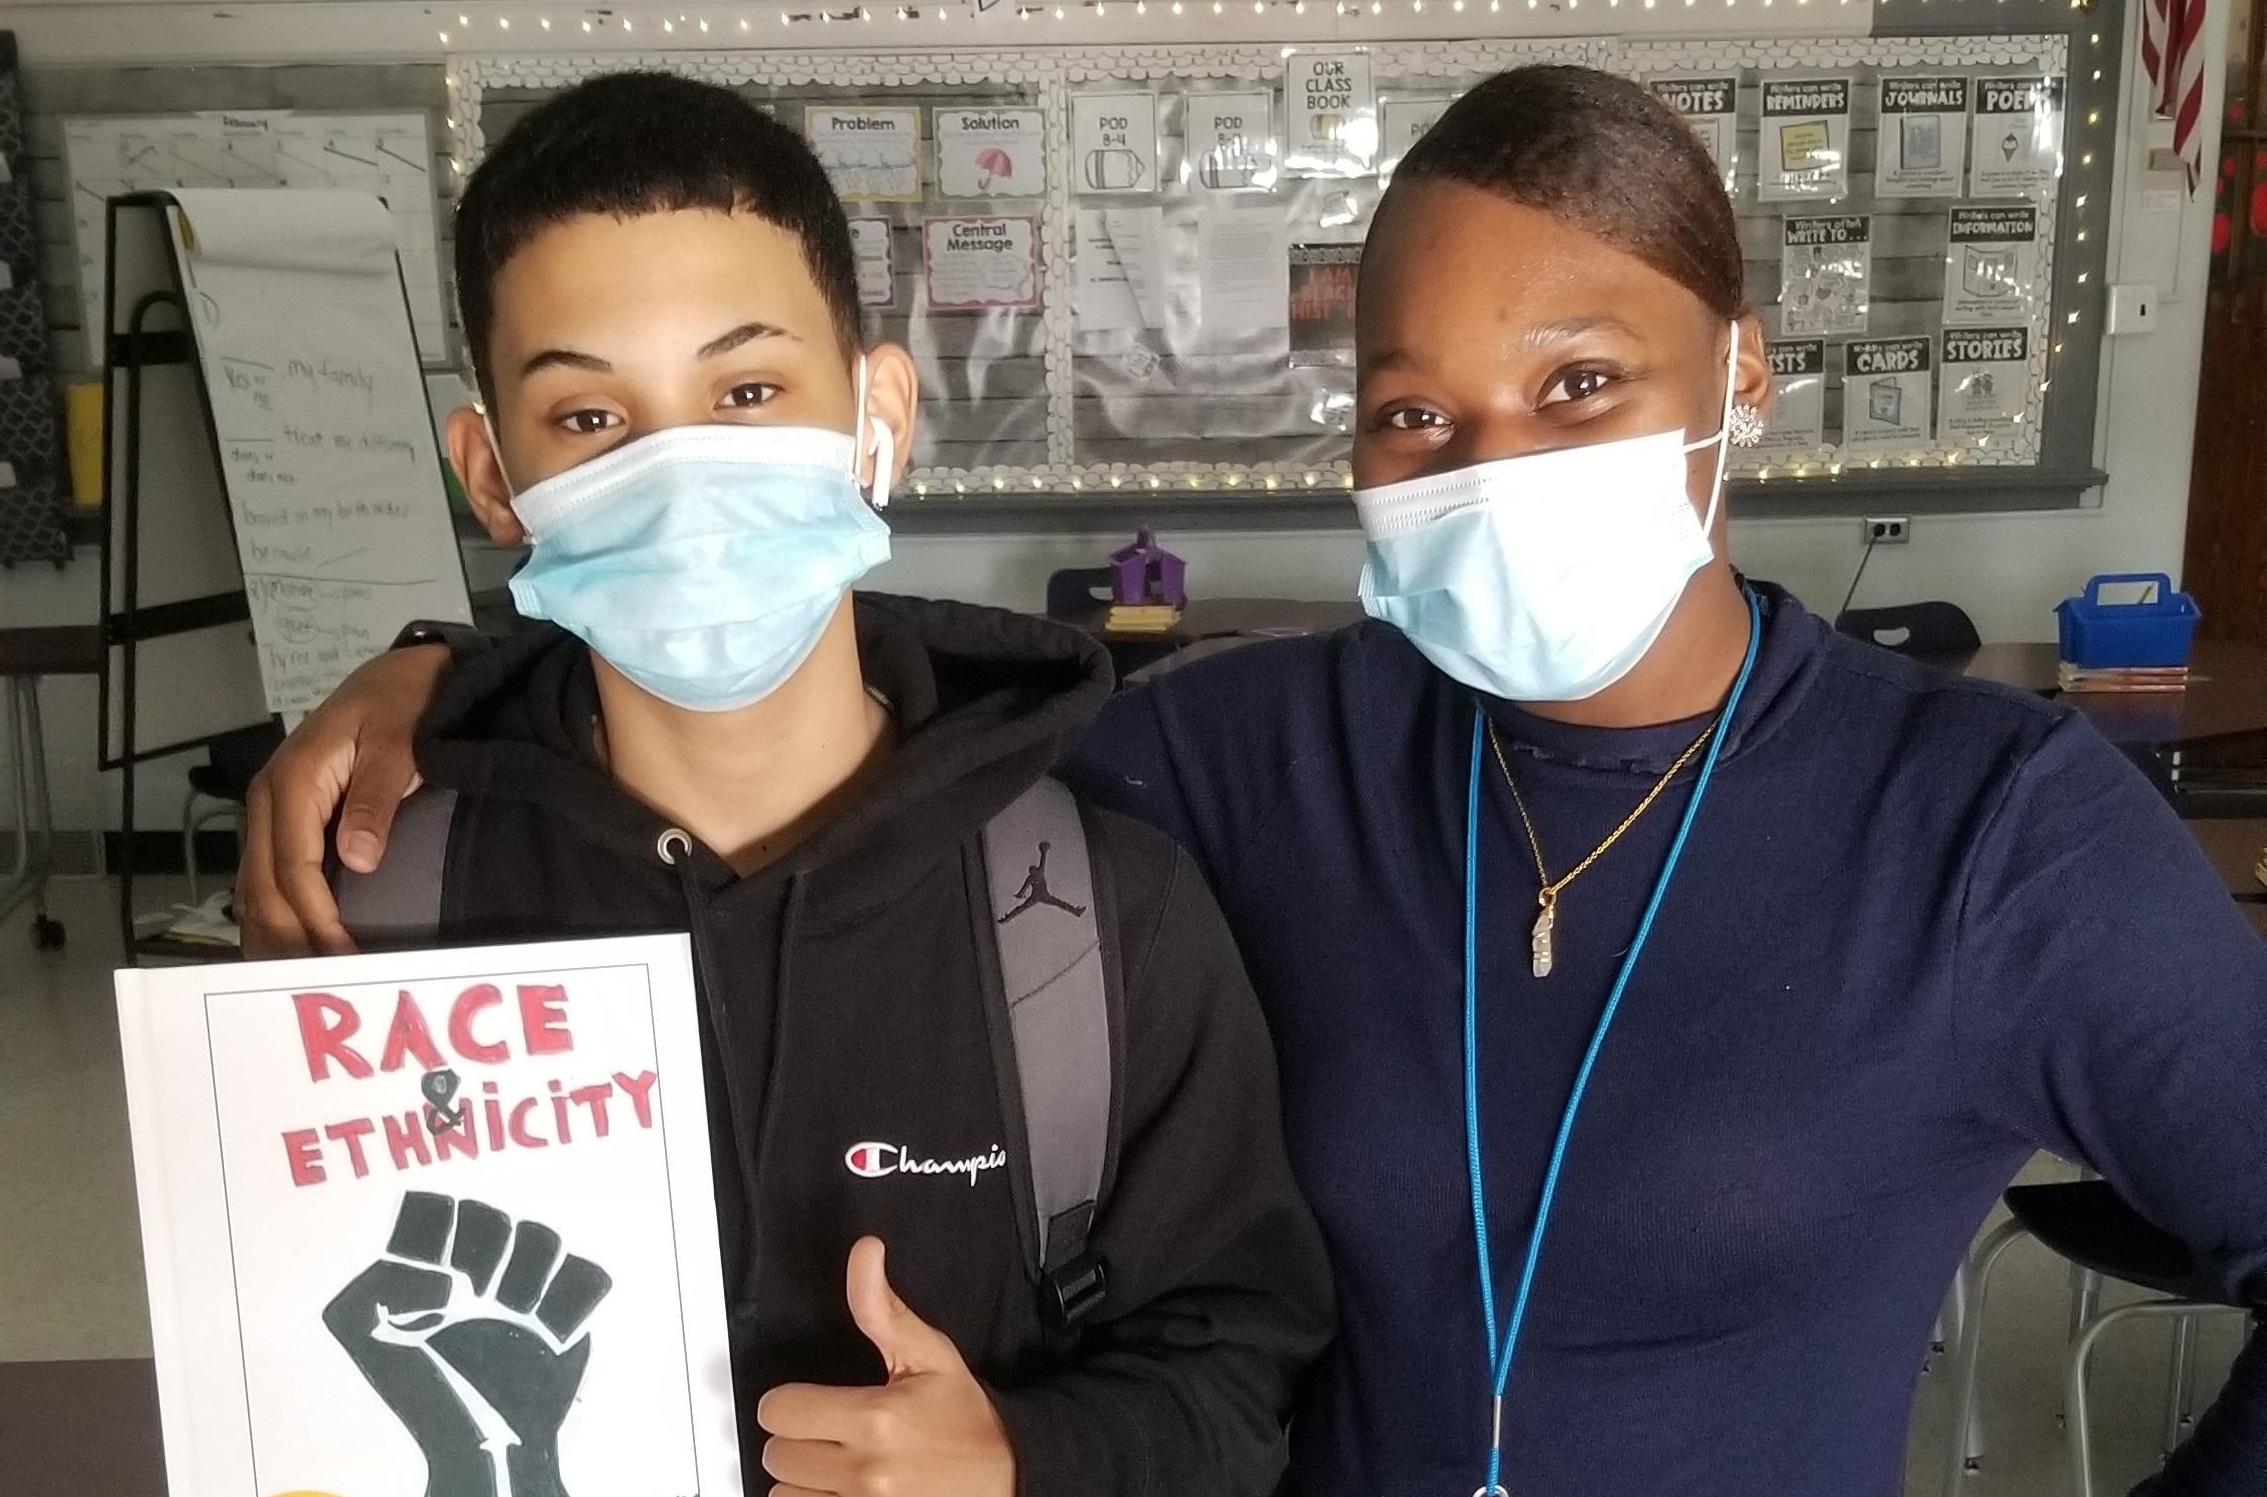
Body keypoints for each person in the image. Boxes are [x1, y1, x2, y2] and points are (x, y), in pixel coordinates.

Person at [241, 66, 2267, 1496]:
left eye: (1582, 381)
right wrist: (453, 664)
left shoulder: (1999, 835)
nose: (1495, 460)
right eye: (1413, 410)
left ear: (1738, 373)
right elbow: (845, 693)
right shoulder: (1266, 747)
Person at [280, 71, 1333, 1497]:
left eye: (748, 390)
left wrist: (1031, 1454)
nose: (681, 473)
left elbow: (1239, 1369)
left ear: (879, 416)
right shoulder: (376, 913)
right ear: (490, 476)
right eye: (589, 418)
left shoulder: (1094, 924)